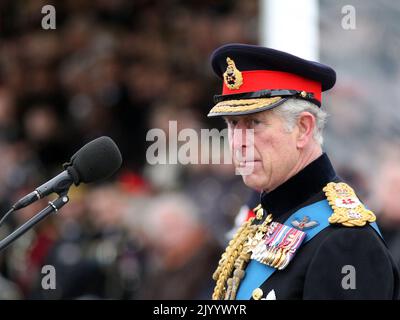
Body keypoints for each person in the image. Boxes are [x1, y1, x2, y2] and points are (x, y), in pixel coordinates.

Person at [208, 43, 399, 300]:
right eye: (233, 124)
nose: (238, 142)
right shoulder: (265, 217)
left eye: (254, 123)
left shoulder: (346, 241)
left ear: (303, 129)